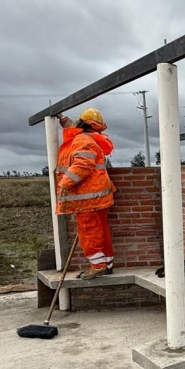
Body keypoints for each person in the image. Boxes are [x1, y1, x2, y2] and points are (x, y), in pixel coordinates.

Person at [56, 108, 116, 279]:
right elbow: (74, 134)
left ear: (82, 123)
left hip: (87, 198)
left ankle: (98, 266)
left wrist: (65, 183)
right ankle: (107, 264)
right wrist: (66, 124)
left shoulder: (82, 140)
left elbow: (82, 164)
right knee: (101, 230)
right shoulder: (89, 138)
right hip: (96, 196)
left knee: (89, 232)